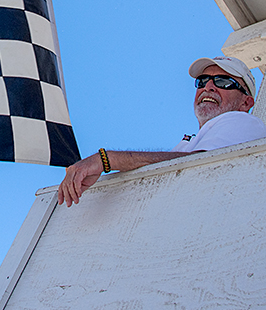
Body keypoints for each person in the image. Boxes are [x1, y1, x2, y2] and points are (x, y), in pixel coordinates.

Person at [58, 56, 266, 207]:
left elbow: (199, 167)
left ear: (245, 102)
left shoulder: (245, 121)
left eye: (222, 82)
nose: (208, 87)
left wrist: (106, 160)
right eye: (202, 81)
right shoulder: (189, 143)